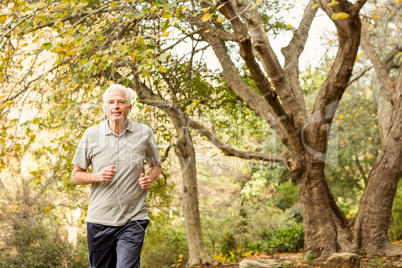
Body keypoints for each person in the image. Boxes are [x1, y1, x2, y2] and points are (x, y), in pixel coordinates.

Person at [71, 84, 161, 268]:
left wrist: (150, 178)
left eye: (120, 102)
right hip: (100, 219)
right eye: (111, 103)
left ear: (129, 108)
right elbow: (76, 176)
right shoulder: (91, 134)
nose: (115, 107)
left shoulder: (144, 133)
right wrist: (97, 176)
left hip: (134, 217)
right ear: (105, 108)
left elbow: (155, 165)